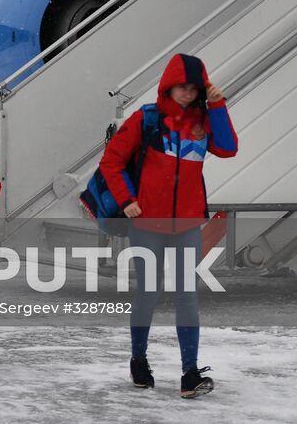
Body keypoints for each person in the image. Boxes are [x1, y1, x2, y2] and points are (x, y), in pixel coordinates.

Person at [97, 53, 237, 399]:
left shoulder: (203, 121)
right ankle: (139, 359)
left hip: (187, 224)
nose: (187, 95)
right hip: (145, 223)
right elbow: (111, 161)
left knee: (187, 296)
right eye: (181, 88)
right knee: (148, 293)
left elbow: (229, 149)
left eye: (193, 89)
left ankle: (190, 372)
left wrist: (218, 107)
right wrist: (127, 198)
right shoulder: (146, 120)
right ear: (169, 86)